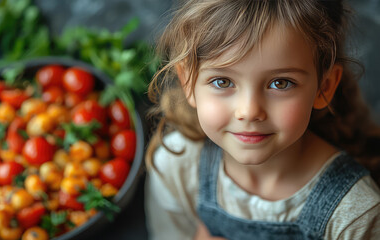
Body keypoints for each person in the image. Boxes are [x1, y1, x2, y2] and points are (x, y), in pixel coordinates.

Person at [144, 0, 380, 239]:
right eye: (222, 81)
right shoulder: (176, 165)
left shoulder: (354, 215)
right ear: (188, 82)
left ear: (324, 88)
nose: (249, 111)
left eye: (280, 83)